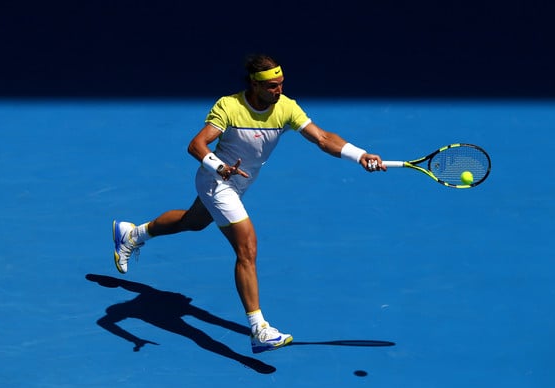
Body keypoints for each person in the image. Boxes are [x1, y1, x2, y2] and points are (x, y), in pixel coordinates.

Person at [112, 54, 386, 354]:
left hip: (241, 182)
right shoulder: (229, 106)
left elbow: (322, 138)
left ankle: (133, 234)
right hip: (216, 181)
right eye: (271, 86)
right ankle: (259, 329)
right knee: (247, 248)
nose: (278, 91)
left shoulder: (286, 108)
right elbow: (196, 145)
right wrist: (219, 167)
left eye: (281, 84)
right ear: (254, 85)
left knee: (193, 221)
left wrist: (360, 154)